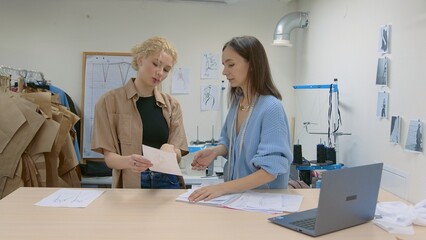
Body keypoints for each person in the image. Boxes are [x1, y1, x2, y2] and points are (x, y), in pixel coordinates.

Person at [189, 36, 293, 202]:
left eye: (231, 65)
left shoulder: (271, 108)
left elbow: (270, 170)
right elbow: (230, 143)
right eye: (224, 65)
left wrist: (221, 188)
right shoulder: (238, 101)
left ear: (252, 64)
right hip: (237, 199)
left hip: (263, 202)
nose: (224, 72)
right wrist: (214, 152)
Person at [91, 36, 188, 189]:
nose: (160, 72)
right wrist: (130, 161)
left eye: (166, 70)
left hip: (167, 181)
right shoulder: (108, 102)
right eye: (156, 64)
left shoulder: (172, 105)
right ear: (141, 59)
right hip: (133, 181)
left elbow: (178, 153)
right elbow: (109, 158)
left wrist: (171, 151)